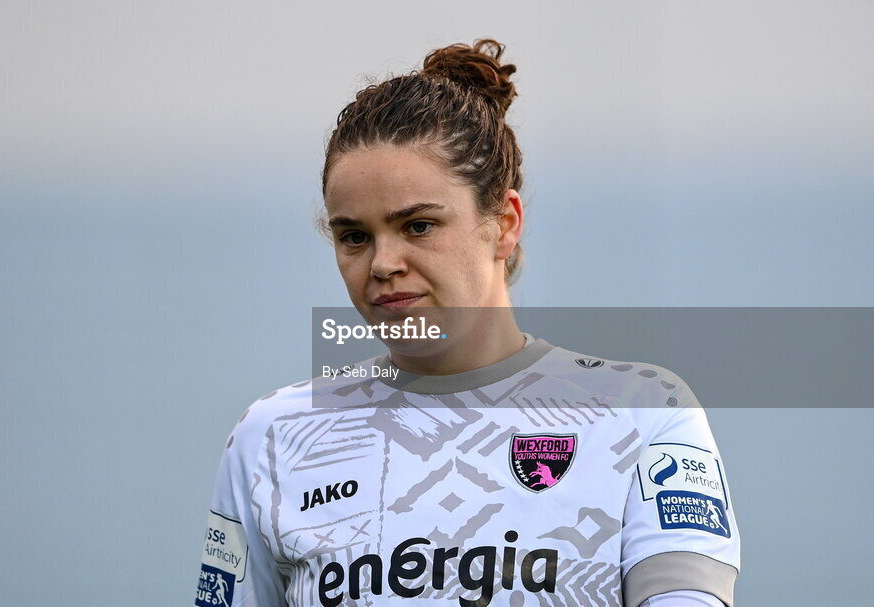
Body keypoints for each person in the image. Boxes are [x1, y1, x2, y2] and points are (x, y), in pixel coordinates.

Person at [195, 39, 740, 607]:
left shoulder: (641, 411)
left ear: (504, 223)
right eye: (354, 236)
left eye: (418, 226)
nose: (383, 264)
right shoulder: (273, 437)